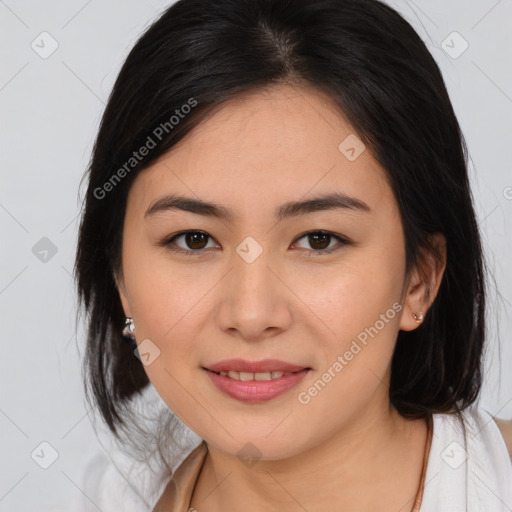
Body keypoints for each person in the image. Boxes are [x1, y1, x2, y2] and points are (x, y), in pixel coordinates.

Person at [74, 0, 512, 510]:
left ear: (419, 278)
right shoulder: (115, 494)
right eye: (194, 239)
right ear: (120, 278)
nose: (252, 314)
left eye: (319, 239)